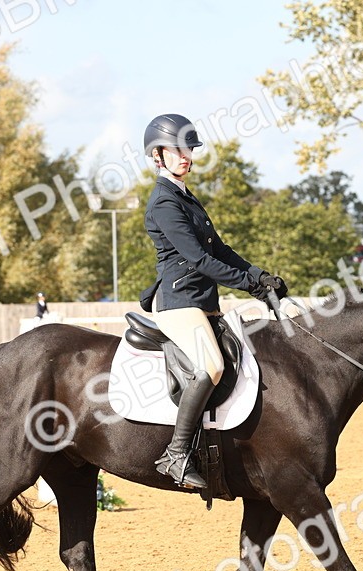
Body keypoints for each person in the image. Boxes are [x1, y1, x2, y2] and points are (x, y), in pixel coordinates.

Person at [139, 113, 288, 489]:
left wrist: (259, 275)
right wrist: (248, 286)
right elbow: (199, 260)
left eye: (189, 148)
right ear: (158, 155)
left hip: (202, 302)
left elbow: (219, 249)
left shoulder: (186, 198)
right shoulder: (163, 202)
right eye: (178, 149)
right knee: (212, 366)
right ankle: (175, 454)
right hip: (178, 303)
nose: (187, 155)